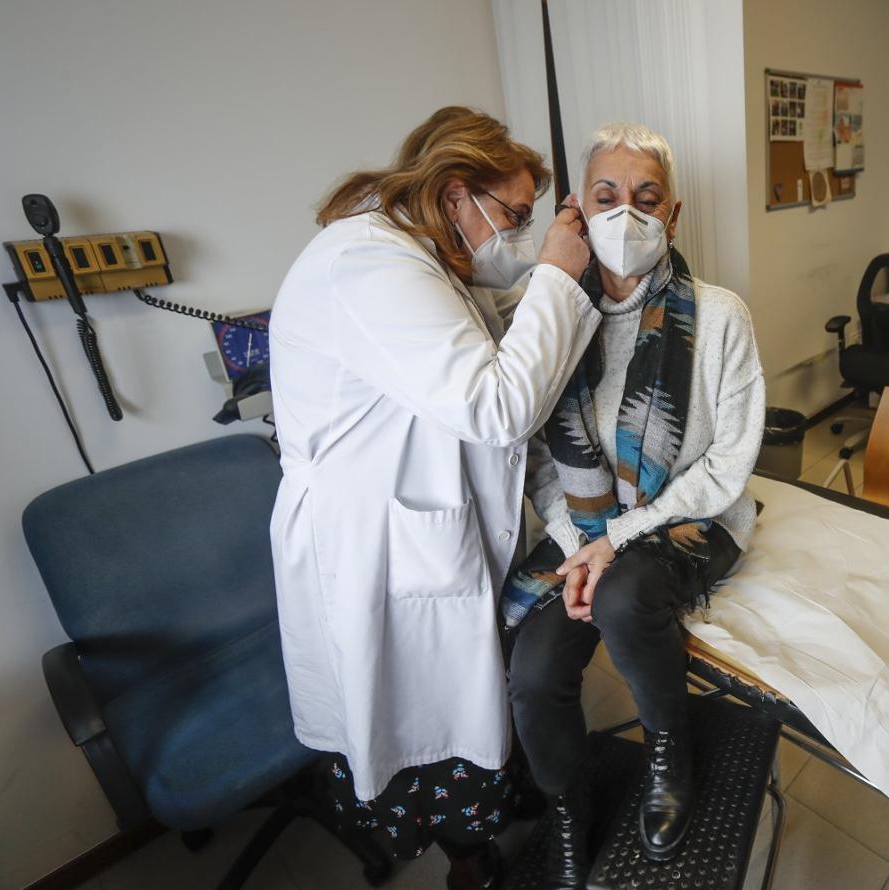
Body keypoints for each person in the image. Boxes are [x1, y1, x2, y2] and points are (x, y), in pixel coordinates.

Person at [268, 106, 599, 890]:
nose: (517, 234)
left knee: (472, 700)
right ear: (456, 195)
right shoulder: (366, 265)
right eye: (515, 216)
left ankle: (486, 826)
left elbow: (478, 352)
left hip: (420, 524)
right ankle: (469, 865)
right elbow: (495, 404)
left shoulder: (417, 262)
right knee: (431, 721)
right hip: (375, 541)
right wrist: (555, 270)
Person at [504, 122, 765, 888]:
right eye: (607, 196)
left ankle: (667, 750)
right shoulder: (547, 317)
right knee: (533, 663)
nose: (628, 215)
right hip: (579, 527)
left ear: (672, 216)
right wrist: (577, 536)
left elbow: (727, 464)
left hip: (688, 518)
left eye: (647, 199)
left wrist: (612, 540)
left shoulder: (719, 317)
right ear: (576, 211)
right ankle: (564, 801)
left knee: (621, 598)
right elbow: (537, 460)